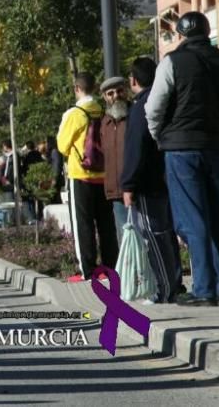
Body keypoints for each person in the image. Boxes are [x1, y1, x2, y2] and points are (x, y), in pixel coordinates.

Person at [147, 11, 219, 306]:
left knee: (192, 218)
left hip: (180, 149)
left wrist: (160, 137)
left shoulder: (172, 62)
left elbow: (154, 108)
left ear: (181, 34)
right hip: (217, 146)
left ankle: (204, 289)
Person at [120, 57, 182, 304]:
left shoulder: (140, 108)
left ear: (132, 80)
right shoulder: (165, 101)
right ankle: (174, 284)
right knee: (166, 234)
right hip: (166, 178)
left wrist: (128, 183)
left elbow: (136, 148)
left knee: (153, 236)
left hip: (147, 183)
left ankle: (164, 290)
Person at [57, 72, 118, 282]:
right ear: (95, 87)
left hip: (81, 175)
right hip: (104, 175)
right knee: (106, 223)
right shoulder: (103, 110)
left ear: (77, 88)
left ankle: (88, 270)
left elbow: (62, 146)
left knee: (83, 224)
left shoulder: (74, 114)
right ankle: (111, 265)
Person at [99, 76, 130, 244]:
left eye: (119, 91)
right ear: (105, 97)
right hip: (115, 191)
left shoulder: (135, 116)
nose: (115, 96)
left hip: (137, 189)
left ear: (126, 91)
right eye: (110, 93)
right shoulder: (104, 124)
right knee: (123, 240)